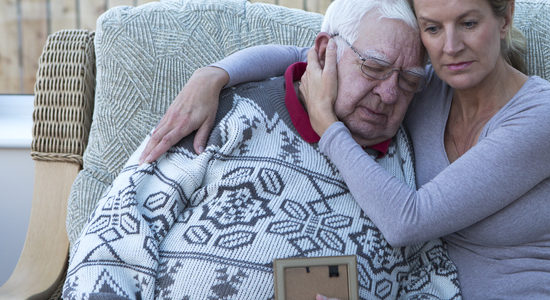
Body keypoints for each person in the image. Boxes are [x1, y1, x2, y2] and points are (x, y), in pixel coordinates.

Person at [140, 0, 550, 298]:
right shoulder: (423, 87)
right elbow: (317, 55)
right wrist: (214, 75)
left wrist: (328, 127)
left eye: (468, 23)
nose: (450, 46)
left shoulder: (545, 117)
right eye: (432, 28)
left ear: (504, 16)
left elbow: (410, 220)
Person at [61, 0, 463, 299]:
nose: (390, 93)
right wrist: (215, 74)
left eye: (409, 82)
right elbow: (112, 238)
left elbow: (431, 282)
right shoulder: (231, 113)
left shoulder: (407, 164)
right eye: (373, 68)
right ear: (325, 52)